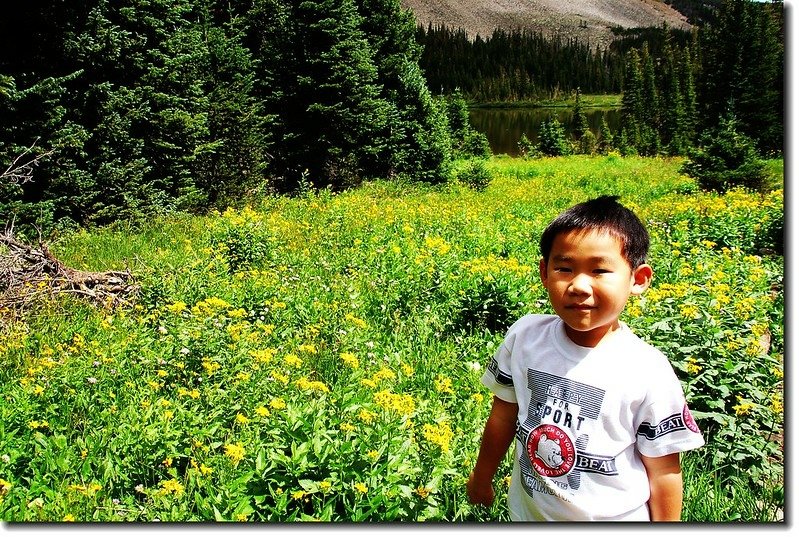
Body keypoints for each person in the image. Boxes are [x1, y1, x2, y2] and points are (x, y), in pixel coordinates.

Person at [466, 195, 705, 521]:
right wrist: (481, 477)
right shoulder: (525, 338)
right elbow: (503, 417)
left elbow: (663, 471)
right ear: (544, 273)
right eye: (564, 268)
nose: (578, 285)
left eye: (599, 270)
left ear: (638, 279)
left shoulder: (647, 370)